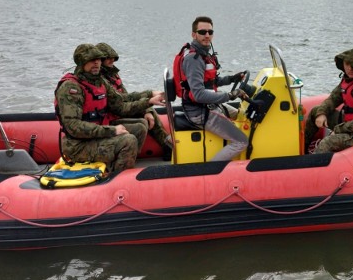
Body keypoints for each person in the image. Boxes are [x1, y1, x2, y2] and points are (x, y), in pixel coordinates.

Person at [55, 44, 165, 172]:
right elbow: (73, 126)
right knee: (128, 141)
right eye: (92, 60)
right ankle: (117, 178)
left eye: (99, 59)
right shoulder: (71, 88)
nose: (97, 63)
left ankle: (120, 167)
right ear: (81, 62)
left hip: (97, 135)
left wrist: (148, 101)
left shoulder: (100, 82)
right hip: (78, 145)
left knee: (139, 128)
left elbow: (121, 103)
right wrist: (111, 131)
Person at [174, 16, 248, 162]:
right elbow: (199, 94)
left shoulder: (203, 54)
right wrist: (231, 95)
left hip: (207, 105)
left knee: (241, 114)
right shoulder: (193, 60)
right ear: (194, 34)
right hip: (200, 112)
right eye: (202, 32)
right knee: (241, 141)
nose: (207, 35)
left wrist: (232, 79)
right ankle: (211, 171)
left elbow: (211, 82)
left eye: (210, 31)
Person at [95, 42, 173, 159]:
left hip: (120, 109)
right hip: (113, 114)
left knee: (149, 110)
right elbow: (119, 106)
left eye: (113, 58)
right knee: (142, 122)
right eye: (108, 58)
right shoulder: (100, 79)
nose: (112, 61)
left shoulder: (113, 74)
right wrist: (148, 101)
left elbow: (126, 96)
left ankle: (167, 145)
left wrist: (147, 108)